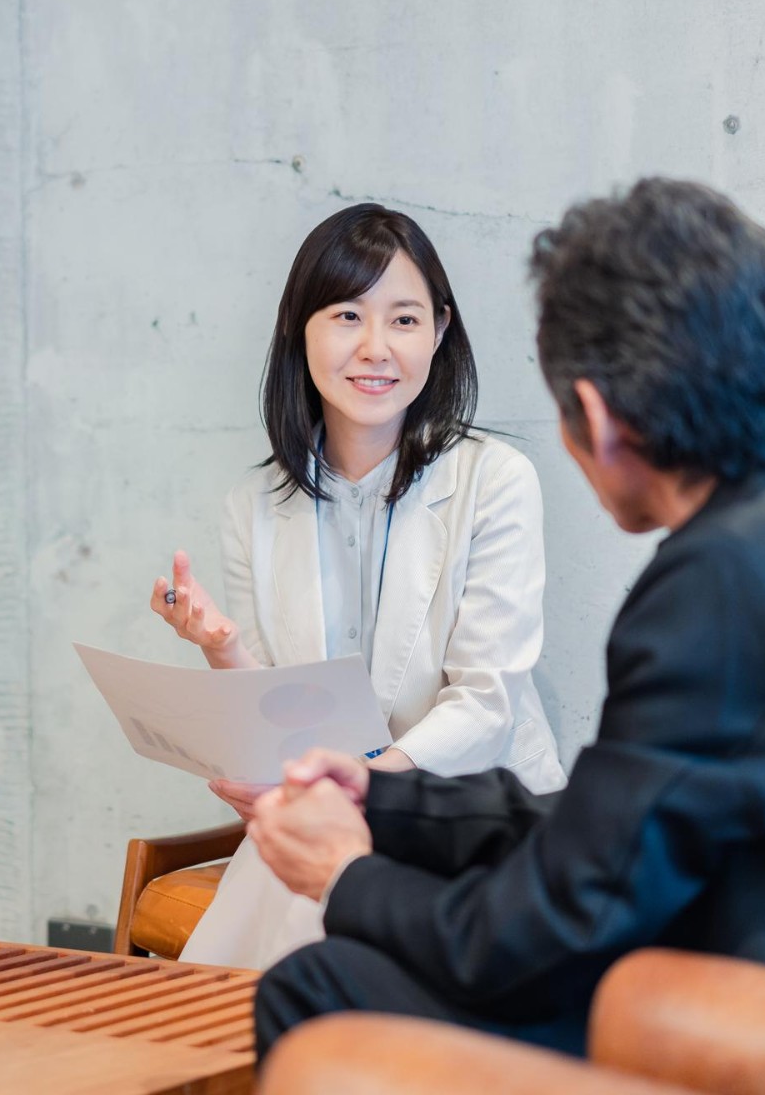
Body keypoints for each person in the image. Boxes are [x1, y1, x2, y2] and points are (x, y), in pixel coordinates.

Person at [249, 177, 765, 1060]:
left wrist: (347, 877)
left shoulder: (715, 587)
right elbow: (619, 824)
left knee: (324, 983)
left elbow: (545, 928)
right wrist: (386, 801)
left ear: (599, 420)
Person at [148, 202, 565, 970]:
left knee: (316, 927)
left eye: (404, 320)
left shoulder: (495, 480)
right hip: (334, 813)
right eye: (347, 315)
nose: (376, 349)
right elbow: (284, 715)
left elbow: (486, 705)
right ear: (297, 330)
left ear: (440, 332)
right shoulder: (256, 506)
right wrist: (223, 646)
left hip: (466, 813)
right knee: (264, 942)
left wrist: (365, 789)